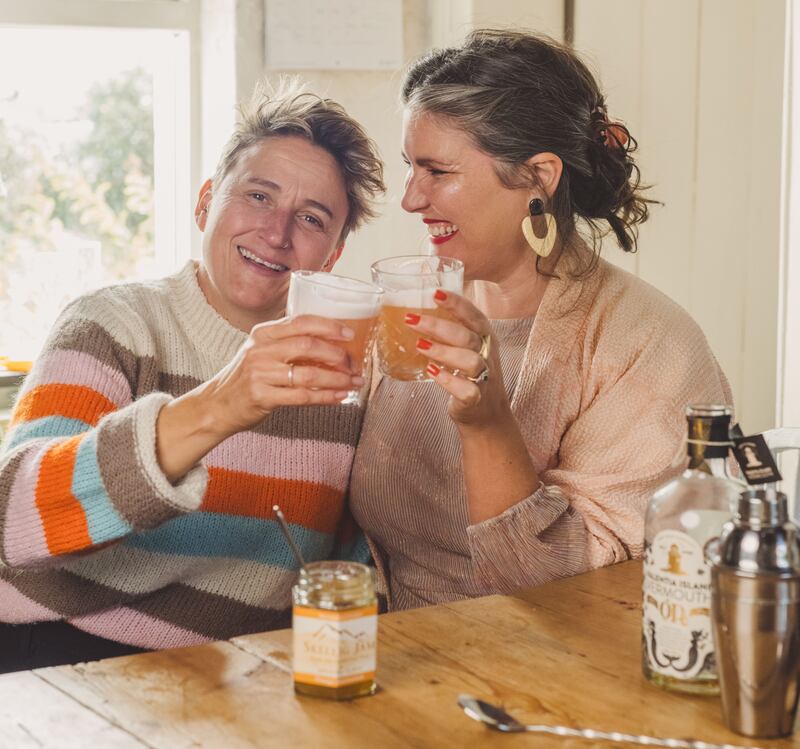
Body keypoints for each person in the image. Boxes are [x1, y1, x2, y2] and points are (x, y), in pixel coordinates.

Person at [0, 80, 385, 671]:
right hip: (65, 656)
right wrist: (221, 405)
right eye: (258, 197)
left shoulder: (348, 374)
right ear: (206, 203)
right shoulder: (113, 324)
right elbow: (13, 520)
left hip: (242, 675)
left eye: (310, 219)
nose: (276, 234)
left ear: (332, 256)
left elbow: (353, 564)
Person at [349, 30, 732, 610]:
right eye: (410, 167)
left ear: (538, 178)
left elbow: (581, 594)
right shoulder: (414, 306)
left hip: (548, 673)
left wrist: (488, 421)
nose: (409, 199)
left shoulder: (648, 344)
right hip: (385, 654)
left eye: (438, 171)